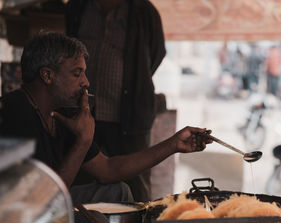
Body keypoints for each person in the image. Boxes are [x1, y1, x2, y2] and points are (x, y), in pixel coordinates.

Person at [0, 32, 212, 205]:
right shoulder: (13, 113)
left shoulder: (58, 114)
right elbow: (41, 203)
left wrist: (173, 144)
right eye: (77, 73)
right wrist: (83, 142)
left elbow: (109, 169)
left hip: (45, 206)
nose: (86, 82)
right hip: (17, 220)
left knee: (117, 192)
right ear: (47, 75)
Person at [65, 0, 166, 202]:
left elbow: (156, 54)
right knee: (83, 179)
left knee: (135, 185)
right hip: (84, 111)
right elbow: (67, 50)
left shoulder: (143, 11)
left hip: (129, 115)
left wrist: (135, 82)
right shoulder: (78, 6)